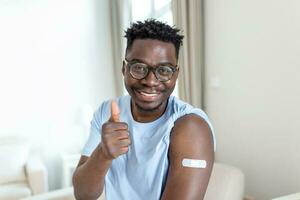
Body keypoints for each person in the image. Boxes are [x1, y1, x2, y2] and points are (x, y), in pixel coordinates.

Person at [72, 19, 216, 200]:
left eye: (164, 70)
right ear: (124, 68)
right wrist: (103, 154)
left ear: (176, 74)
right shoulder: (107, 112)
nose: (150, 81)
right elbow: (83, 195)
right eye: (139, 68)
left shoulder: (192, 127)